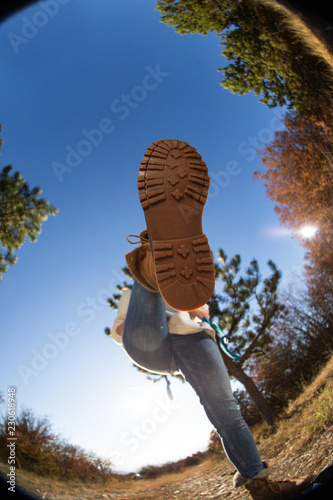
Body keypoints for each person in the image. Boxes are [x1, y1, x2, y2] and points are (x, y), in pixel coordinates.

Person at [108, 139, 315, 499]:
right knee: (147, 293)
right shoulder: (130, 300)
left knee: (226, 411)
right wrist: (131, 325)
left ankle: (259, 483)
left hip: (194, 337)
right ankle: (155, 255)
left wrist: (199, 311)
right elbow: (123, 331)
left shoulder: (193, 301)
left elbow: (199, 309)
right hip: (150, 343)